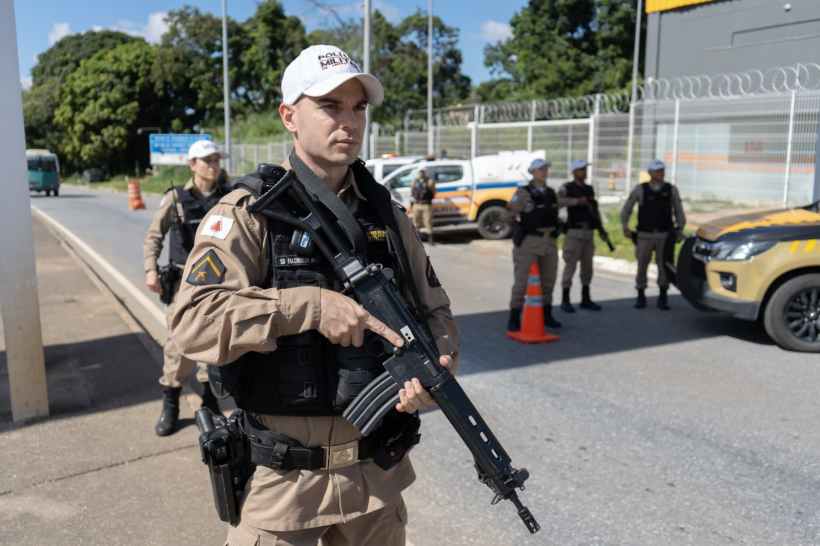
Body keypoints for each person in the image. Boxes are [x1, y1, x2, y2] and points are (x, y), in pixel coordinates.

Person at [169, 44, 459, 546]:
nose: (348, 122)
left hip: (376, 481)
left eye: (359, 107)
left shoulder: (386, 216)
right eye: (330, 106)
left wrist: (436, 365)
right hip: (283, 485)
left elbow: (436, 311)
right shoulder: (250, 211)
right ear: (289, 116)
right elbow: (191, 322)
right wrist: (306, 306)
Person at [144, 139, 228, 436]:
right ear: (192, 165)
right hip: (183, 285)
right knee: (178, 347)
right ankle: (171, 404)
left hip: (220, 284)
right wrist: (150, 269)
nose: (213, 165)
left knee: (214, 348)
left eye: (217, 159)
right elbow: (154, 236)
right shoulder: (176, 199)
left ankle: (211, 405)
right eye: (207, 160)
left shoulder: (229, 198)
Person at [620, 159, 686, 310]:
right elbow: (627, 209)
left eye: (662, 170)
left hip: (664, 235)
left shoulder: (671, 189)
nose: (660, 173)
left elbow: (679, 211)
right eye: (657, 171)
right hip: (644, 235)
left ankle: (663, 296)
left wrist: (679, 229)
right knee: (642, 265)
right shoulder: (640, 189)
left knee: (664, 266)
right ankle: (641, 295)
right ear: (650, 173)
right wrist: (625, 226)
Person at [507, 158, 562, 331]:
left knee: (548, 281)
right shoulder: (523, 192)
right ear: (532, 172)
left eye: (546, 168)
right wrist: (517, 230)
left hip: (549, 241)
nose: (544, 172)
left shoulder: (551, 193)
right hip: (530, 241)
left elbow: (554, 213)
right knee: (522, 281)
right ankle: (514, 316)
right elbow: (510, 213)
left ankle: (547, 315)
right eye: (540, 169)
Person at [558, 159, 603, 312]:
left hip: (588, 233)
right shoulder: (566, 188)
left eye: (585, 169)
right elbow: (558, 202)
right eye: (581, 169)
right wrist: (576, 201)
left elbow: (594, 210)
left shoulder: (589, 189)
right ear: (574, 172)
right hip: (574, 232)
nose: (584, 172)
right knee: (570, 266)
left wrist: (600, 228)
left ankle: (586, 298)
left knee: (587, 268)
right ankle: (565, 299)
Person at [410, 167, 436, 243]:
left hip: (426, 204)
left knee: (428, 221)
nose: (421, 173)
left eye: (423, 172)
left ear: (425, 172)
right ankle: (417, 239)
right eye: (420, 172)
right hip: (417, 204)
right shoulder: (415, 181)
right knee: (416, 222)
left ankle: (430, 239)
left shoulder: (430, 181)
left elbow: (433, 192)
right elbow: (412, 192)